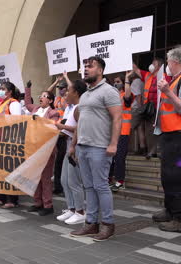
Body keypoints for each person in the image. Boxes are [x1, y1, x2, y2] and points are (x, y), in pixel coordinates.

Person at [69, 56, 122, 241]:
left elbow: (117, 118)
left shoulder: (109, 91)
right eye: (84, 66)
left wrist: (114, 144)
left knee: (100, 186)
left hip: (100, 147)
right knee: (89, 187)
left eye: (90, 66)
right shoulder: (85, 95)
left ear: (100, 70)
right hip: (83, 147)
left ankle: (108, 224)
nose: (86, 69)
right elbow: (80, 121)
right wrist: (74, 145)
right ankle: (91, 223)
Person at [151, 45, 181, 233]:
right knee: (167, 176)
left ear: (175, 61)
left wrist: (168, 92)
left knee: (173, 177)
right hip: (171, 133)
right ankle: (171, 210)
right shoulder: (179, 78)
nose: (167, 65)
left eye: (169, 61)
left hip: (179, 134)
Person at [56, 73, 87, 225]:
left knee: (74, 181)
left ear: (76, 93)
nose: (65, 93)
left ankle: (80, 211)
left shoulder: (79, 108)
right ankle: (72, 208)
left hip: (75, 147)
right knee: (64, 179)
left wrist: (62, 127)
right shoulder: (73, 107)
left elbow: (80, 128)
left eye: (68, 91)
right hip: (69, 144)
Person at [24, 82, 60, 216]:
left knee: (45, 178)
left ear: (50, 100)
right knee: (35, 177)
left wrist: (39, 121)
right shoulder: (36, 109)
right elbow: (27, 104)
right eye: (41, 96)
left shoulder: (53, 113)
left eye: (44, 96)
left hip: (47, 149)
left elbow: (53, 127)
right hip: (34, 149)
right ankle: (37, 202)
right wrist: (28, 89)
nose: (41, 97)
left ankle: (48, 205)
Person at [0, 83, 22, 208]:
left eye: (3, 89)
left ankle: (12, 200)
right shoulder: (0, 104)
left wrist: (0, 116)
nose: (0, 91)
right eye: (0, 89)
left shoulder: (14, 104)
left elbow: (17, 120)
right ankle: (0, 197)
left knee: (10, 170)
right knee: (0, 171)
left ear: (10, 92)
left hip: (10, 141)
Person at [132, 57, 164, 159]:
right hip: (147, 108)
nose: (151, 65)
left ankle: (155, 151)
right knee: (145, 128)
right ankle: (150, 151)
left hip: (159, 108)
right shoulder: (147, 76)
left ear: (159, 66)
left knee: (155, 130)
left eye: (153, 63)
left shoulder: (164, 76)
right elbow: (135, 69)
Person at [110, 72, 134, 192]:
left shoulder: (126, 95)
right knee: (110, 157)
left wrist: (127, 80)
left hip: (123, 131)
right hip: (112, 131)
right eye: (115, 82)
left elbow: (128, 96)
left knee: (119, 157)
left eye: (118, 82)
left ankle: (119, 181)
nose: (115, 84)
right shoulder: (112, 97)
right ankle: (110, 179)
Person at [47, 77, 69, 195]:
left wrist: (66, 78)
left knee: (61, 160)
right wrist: (55, 82)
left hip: (64, 132)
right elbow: (48, 93)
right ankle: (57, 186)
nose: (60, 90)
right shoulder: (57, 99)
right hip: (56, 130)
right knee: (57, 161)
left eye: (62, 88)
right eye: (59, 88)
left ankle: (60, 186)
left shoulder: (67, 99)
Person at [128, 72, 146, 155]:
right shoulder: (142, 82)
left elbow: (138, 96)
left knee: (130, 128)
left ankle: (131, 148)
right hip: (141, 107)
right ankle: (142, 147)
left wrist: (139, 108)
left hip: (136, 108)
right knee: (140, 128)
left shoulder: (135, 82)